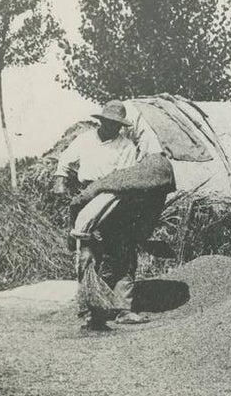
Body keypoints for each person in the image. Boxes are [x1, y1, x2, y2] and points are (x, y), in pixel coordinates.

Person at [53, 100, 166, 327]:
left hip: (116, 198)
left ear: (121, 126)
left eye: (116, 124)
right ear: (101, 120)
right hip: (89, 197)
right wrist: (60, 179)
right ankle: (90, 309)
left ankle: (124, 309)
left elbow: (126, 178)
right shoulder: (84, 140)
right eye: (108, 122)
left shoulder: (125, 146)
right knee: (87, 254)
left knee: (123, 253)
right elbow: (65, 160)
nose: (112, 127)